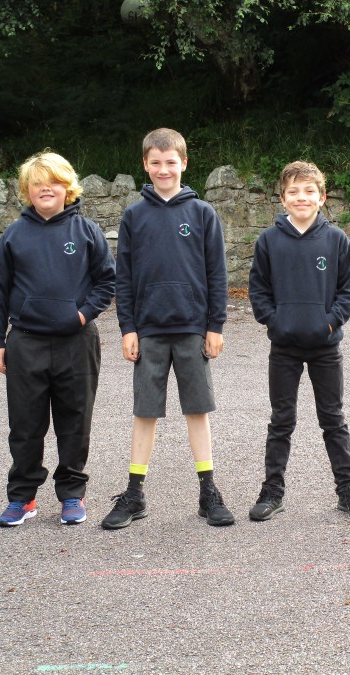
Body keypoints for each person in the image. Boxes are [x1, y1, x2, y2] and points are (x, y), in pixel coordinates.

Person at [103, 128, 233, 529]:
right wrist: (128, 328)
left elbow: (217, 274)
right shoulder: (134, 215)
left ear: (184, 163)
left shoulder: (202, 213)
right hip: (148, 330)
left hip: (193, 328)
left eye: (171, 162)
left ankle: (208, 491)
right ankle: (135, 493)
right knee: (145, 412)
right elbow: (123, 277)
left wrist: (215, 325)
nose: (164, 169)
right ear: (146, 164)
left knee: (197, 409)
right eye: (156, 163)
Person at [0, 151, 115, 527]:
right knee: (25, 426)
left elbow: (107, 281)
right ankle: (22, 497)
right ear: (27, 190)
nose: (46, 188)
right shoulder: (14, 235)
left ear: (68, 188)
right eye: (38, 183)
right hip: (25, 343)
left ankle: (72, 494)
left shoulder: (86, 231)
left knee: (74, 422)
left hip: (77, 341)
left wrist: (81, 315)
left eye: (54, 181)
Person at [247, 160, 350, 520]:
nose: (301, 197)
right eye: (294, 191)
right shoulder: (269, 241)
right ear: (282, 198)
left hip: (325, 347)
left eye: (309, 191)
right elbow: (258, 289)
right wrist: (275, 322)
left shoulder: (336, 240)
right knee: (281, 421)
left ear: (322, 197)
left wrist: (330, 324)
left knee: (333, 419)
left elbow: (348, 290)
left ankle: (348, 491)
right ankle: (272, 492)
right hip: (284, 347)